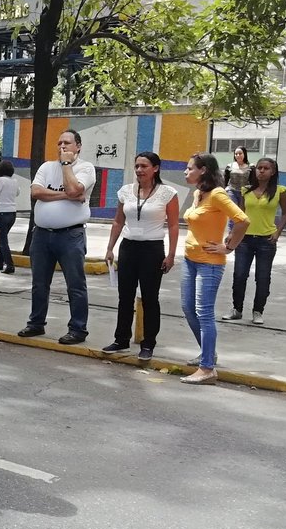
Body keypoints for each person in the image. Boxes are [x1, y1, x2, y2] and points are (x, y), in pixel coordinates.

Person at [18, 129, 96, 344]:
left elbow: (75, 188)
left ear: (78, 146)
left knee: (75, 284)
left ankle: (78, 329)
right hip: (42, 235)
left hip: (71, 235)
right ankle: (36, 323)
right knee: (39, 283)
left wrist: (65, 165)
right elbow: (36, 193)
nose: (62, 146)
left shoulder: (86, 168)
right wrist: (66, 195)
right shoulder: (45, 167)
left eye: (67, 143)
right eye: (59, 142)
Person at [102, 152, 180, 360]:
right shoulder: (126, 191)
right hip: (128, 248)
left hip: (152, 249)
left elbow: (173, 225)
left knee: (150, 298)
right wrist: (110, 247)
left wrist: (171, 254)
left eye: (144, 166)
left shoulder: (167, 193)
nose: (139, 170)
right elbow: (118, 221)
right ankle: (121, 339)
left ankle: (148, 343)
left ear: (155, 168)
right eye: (137, 166)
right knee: (124, 296)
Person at [180, 153, 249, 385]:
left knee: (204, 313)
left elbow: (242, 220)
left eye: (190, 168)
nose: (186, 172)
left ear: (204, 170)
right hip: (190, 259)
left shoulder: (219, 194)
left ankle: (207, 368)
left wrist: (228, 246)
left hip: (209, 264)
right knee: (188, 308)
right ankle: (207, 352)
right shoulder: (199, 193)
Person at [223, 157, 286, 326]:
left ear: (273, 172)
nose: (261, 171)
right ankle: (236, 309)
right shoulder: (246, 191)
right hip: (244, 240)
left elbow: (285, 214)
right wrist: (232, 234)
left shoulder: (280, 191)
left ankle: (258, 311)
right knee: (239, 275)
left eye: (266, 168)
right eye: (259, 168)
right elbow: (241, 216)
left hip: (266, 241)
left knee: (262, 277)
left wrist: (277, 233)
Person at [0, 159, 17, 274]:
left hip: (2, 212)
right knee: (3, 238)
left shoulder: (1, 180)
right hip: (13, 213)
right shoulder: (14, 181)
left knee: (2, 240)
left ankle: (9, 265)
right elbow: (18, 192)